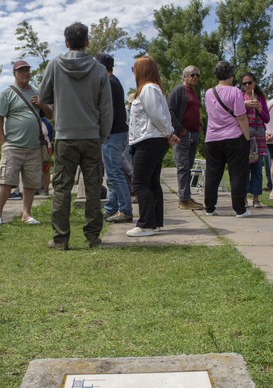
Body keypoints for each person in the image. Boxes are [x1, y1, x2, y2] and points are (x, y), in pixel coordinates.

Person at [39, 22, 113, 250]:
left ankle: (60, 239)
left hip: (65, 136)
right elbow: (106, 109)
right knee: (93, 188)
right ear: (87, 42)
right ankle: (92, 237)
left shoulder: (54, 65)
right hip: (91, 136)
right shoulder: (100, 70)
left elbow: (42, 95)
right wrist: (101, 136)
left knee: (62, 187)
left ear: (66, 42)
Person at [0, 60, 53, 227]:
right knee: (5, 180)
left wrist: (41, 103)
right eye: (21, 71)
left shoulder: (37, 92)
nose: (25, 73)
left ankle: (26, 214)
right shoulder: (8, 93)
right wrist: (3, 142)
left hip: (34, 146)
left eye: (27, 70)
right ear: (14, 73)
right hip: (13, 145)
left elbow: (50, 114)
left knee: (31, 183)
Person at [125, 55, 180, 237]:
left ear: (142, 71)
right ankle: (154, 222)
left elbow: (157, 115)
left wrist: (169, 133)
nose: (133, 73)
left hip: (149, 140)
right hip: (153, 140)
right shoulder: (153, 89)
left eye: (134, 69)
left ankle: (146, 224)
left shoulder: (148, 89)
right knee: (152, 182)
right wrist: (168, 133)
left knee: (140, 183)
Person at [203, 61, 251, 218]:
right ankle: (239, 209)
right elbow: (241, 117)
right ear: (231, 75)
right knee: (237, 174)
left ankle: (209, 207)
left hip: (212, 138)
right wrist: (247, 137)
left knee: (212, 173)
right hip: (233, 137)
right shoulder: (235, 92)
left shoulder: (209, 93)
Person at [96, 53, 132, 224]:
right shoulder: (114, 81)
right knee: (112, 175)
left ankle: (125, 210)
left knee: (115, 174)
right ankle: (111, 208)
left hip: (113, 134)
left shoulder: (109, 83)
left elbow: (105, 111)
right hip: (118, 133)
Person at [167, 65, 204, 211]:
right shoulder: (178, 90)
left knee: (188, 168)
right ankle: (184, 200)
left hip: (194, 135)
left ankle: (187, 197)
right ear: (185, 76)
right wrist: (180, 130)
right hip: (183, 136)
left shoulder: (195, 92)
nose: (195, 77)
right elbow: (169, 112)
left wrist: (200, 126)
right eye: (192, 75)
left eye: (197, 75)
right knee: (183, 167)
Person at [240, 72, 270, 209]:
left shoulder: (261, 98)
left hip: (259, 136)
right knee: (244, 168)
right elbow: (235, 114)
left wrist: (259, 108)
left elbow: (267, 119)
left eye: (249, 82)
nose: (247, 85)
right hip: (245, 134)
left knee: (257, 168)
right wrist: (244, 105)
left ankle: (256, 198)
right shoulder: (240, 97)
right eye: (244, 83)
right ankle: (244, 197)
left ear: (254, 83)